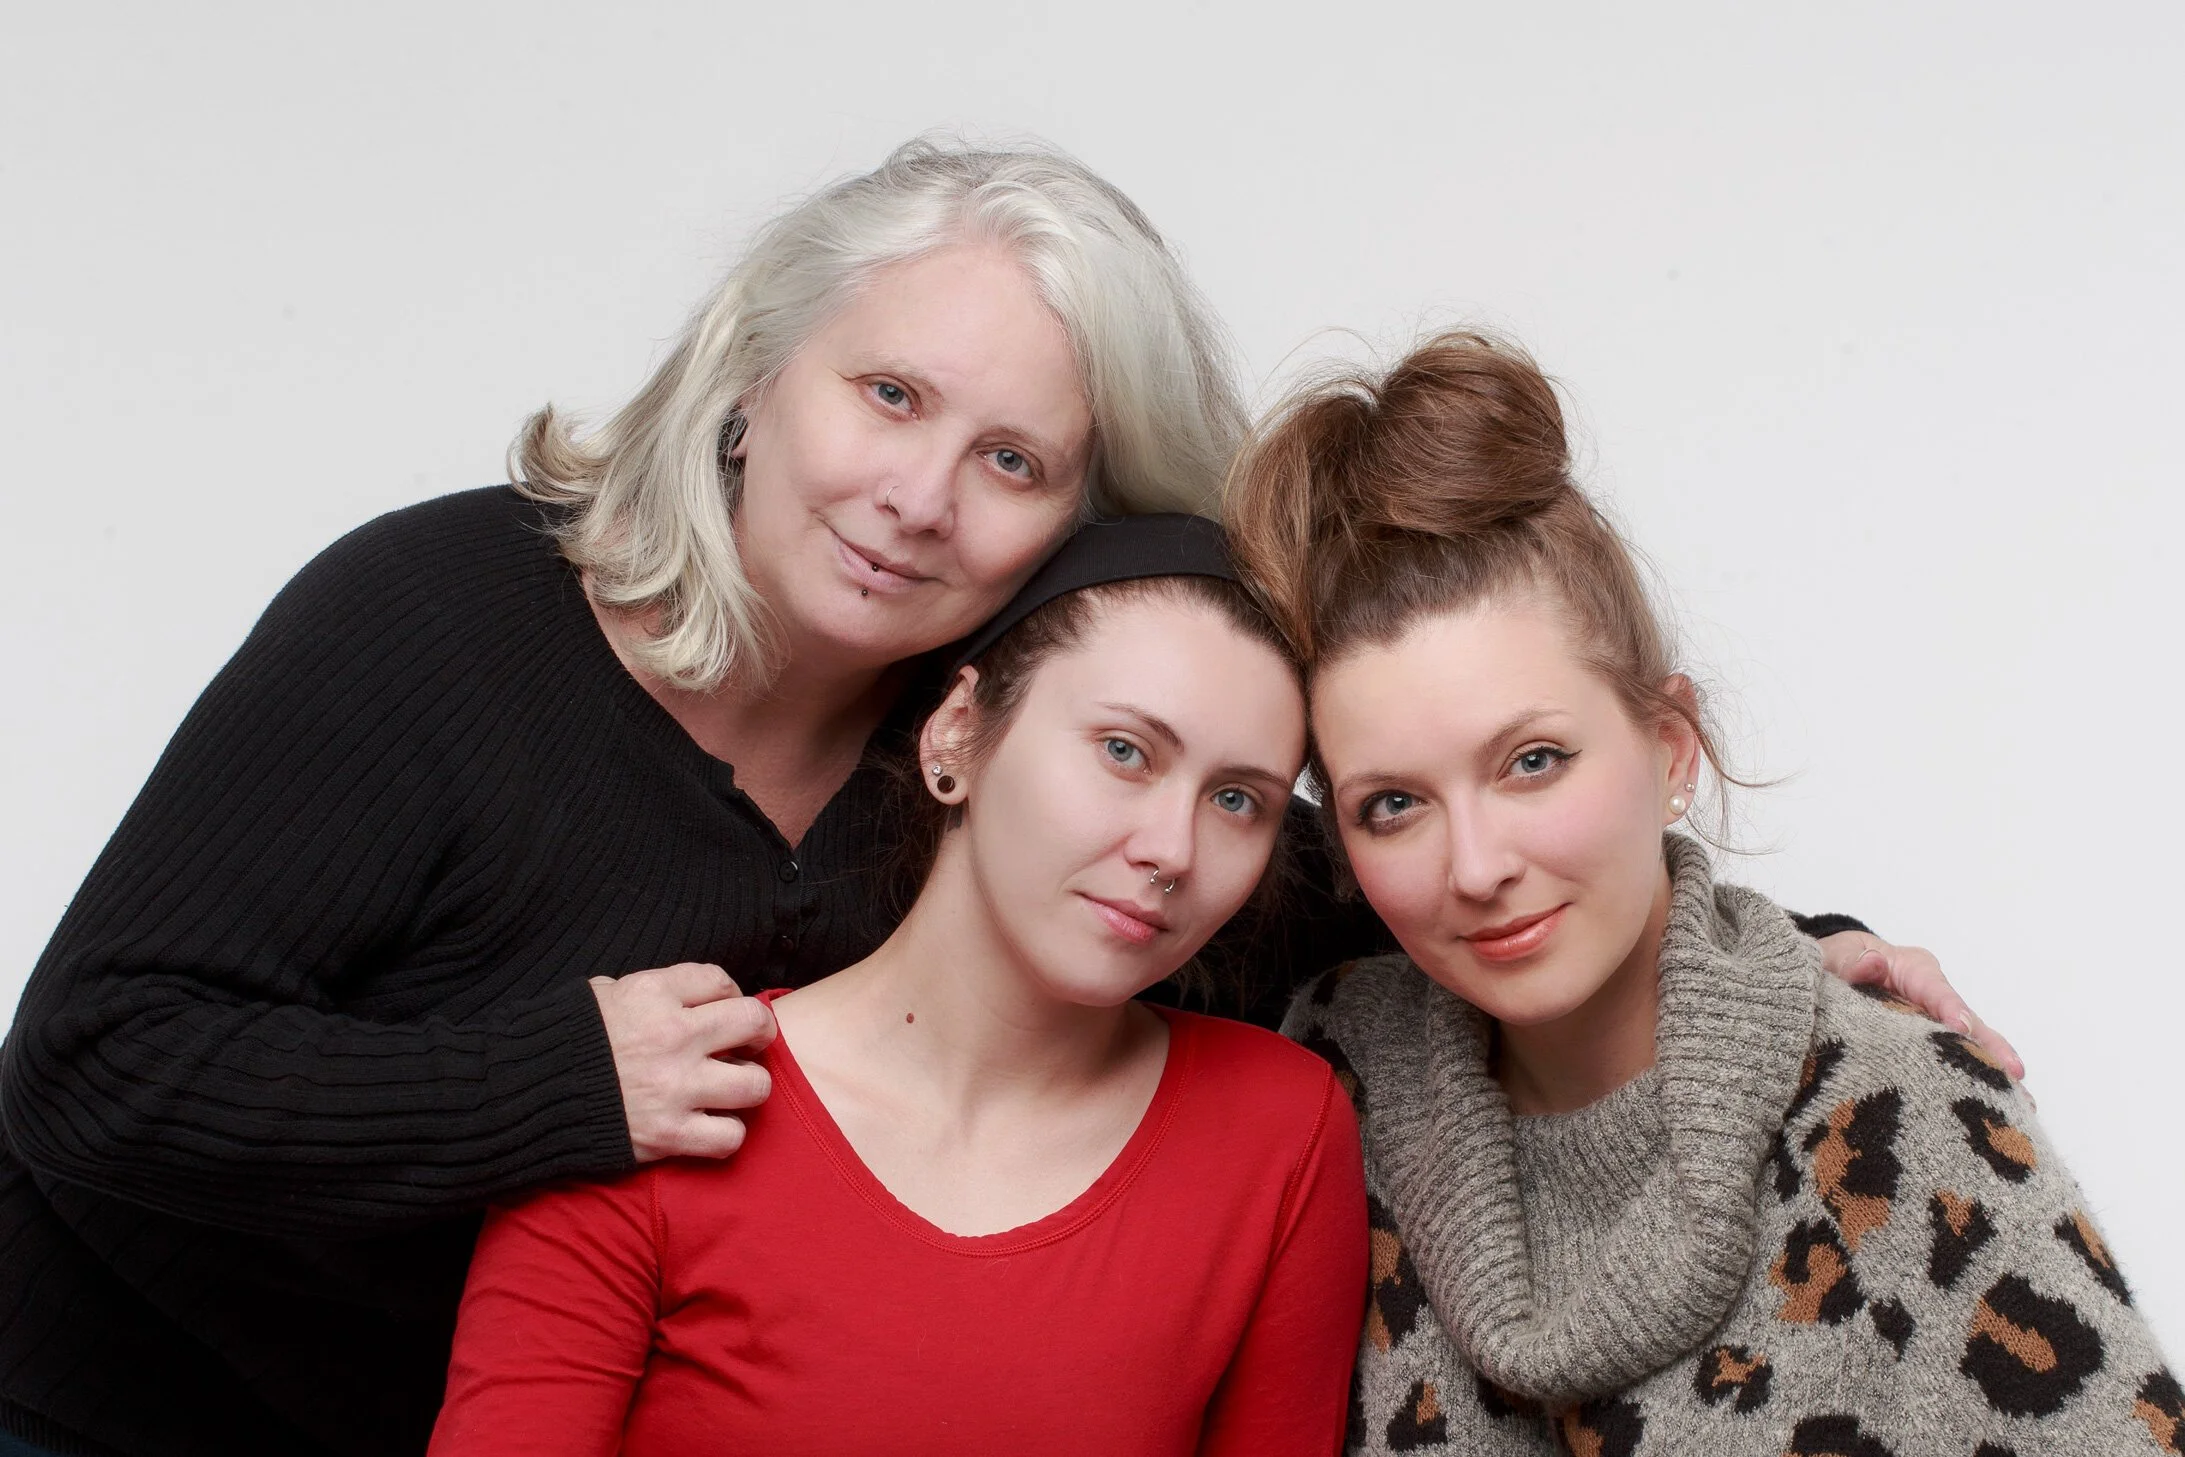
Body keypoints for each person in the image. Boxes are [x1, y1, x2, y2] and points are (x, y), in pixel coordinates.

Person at [0, 136, 1983, 1457]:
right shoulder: (435, 620)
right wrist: (548, 1083)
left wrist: (1768, 946)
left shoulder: (1017, 771)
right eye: (887, 396)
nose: (920, 494)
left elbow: (1380, 873)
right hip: (125, 1388)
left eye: (1016, 458)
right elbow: (85, 1064)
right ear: (753, 376)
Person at [1228, 332, 2176, 1455]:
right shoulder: (1333, 1086)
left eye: (1532, 760)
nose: (1474, 865)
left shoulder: (1900, 1116)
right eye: (1392, 804)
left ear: (1671, 746)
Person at [428, 516, 1367, 1455]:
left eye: (1238, 799)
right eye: (1124, 750)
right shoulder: (660, 1091)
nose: (1172, 849)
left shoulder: (1278, 1130)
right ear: (958, 730)